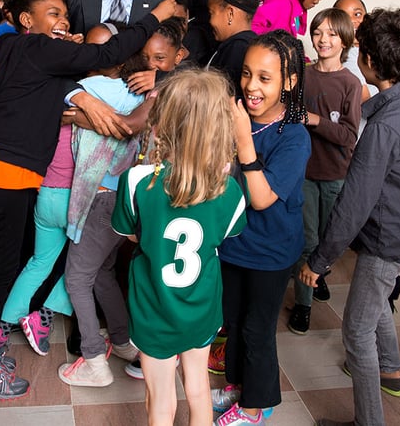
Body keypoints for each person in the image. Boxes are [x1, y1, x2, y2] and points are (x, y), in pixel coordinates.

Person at [0, 0, 175, 400]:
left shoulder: (17, 53)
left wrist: (75, 93)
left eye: (65, 15)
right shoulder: (36, 49)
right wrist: (156, 17)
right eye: (52, 13)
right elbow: (105, 55)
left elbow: (50, 85)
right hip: (2, 177)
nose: (63, 21)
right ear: (25, 20)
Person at [302, 8, 400, 426]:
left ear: (370, 61)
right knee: (375, 306)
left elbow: (354, 203)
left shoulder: (384, 128)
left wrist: (318, 262)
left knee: (356, 331)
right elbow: (374, 107)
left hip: (386, 240)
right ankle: (391, 371)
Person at [112, 68, 247, 426]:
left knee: (159, 402)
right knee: (199, 388)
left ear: (163, 122)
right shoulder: (229, 189)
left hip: (154, 306)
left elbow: (130, 235)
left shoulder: (138, 180)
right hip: (200, 305)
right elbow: (224, 237)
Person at [211, 30, 309, 426]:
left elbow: (262, 198)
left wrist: (243, 144)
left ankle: (257, 405)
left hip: (270, 251)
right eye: (247, 74)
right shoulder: (237, 117)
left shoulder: (295, 137)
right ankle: (238, 385)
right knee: (232, 320)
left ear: (289, 83)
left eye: (265, 79)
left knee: (257, 329)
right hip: (233, 243)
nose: (251, 86)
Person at [57, 23, 146, 388]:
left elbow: (58, 98)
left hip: (98, 197)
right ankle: (123, 341)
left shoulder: (92, 87)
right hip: (125, 198)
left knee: (76, 278)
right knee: (104, 273)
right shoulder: (141, 93)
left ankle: (94, 359)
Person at [288, 8, 362, 334]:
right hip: (303, 172)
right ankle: (303, 305)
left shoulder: (351, 84)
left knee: (328, 242)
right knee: (306, 240)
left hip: (335, 175)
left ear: (345, 41)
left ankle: (318, 274)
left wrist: (316, 120)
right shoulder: (303, 75)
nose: (323, 39)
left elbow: (348, 135)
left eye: (332, 34)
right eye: (318, 32)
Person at [205, 0, 270, 90]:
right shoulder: (246, 43)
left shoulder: (236, 49)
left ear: (230, 13)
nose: (209, 21)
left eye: (212, 13)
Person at [332, 0, 377, 102]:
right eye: (344, 17)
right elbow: (365, 101)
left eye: (357, 14)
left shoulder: (374, 50)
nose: (352, 21)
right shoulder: (346, 57)